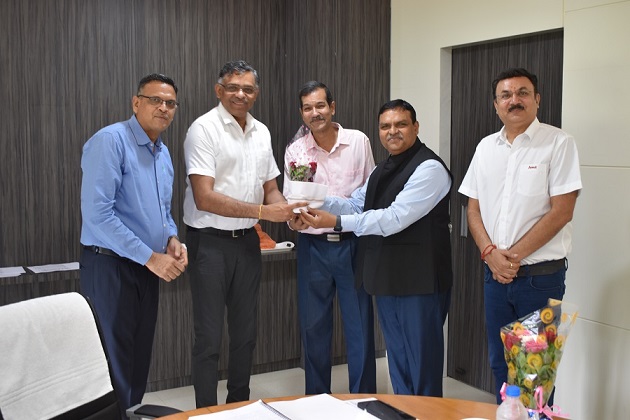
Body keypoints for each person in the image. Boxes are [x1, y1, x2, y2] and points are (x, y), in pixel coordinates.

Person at [300, 99, 453, 397]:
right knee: (398, 362)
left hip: (421, 283)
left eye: (400, 124)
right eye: (385, 126)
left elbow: (394, 217)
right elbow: (357, 203)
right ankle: (405, 413)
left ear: (416, 127)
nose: (392, 131)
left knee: (422, 365)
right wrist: (311, 200)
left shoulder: (430, 168)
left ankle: (427, 415)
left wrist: (337, 222)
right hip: (388, 279)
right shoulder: (382, 168)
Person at [183, 60, 303, 407]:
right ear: (219, 90)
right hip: (209, 244)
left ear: (256, 93)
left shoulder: (261, 131)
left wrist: (290, 214)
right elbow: (204, 197)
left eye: (248, 89)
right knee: (208, 338)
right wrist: (264, 213)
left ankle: (238, 406)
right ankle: (206, 412)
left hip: (247, 243)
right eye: (233, 87)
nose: (240, 94)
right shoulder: (203, 129)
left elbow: (271, 189)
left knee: (245, 335)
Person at [458, 68, 582, 403]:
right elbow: (473, 208)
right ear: (496, 104)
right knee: (501, 367)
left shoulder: (559, 143)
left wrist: (509, 258)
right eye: (506, 95)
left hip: (539, 281)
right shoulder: (486, 147)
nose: (514, 100)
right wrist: (490, 254)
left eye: (523, 93)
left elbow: (562, 211)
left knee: (535, 376)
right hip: (495, 277)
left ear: (537, 99)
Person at [80, 73, 188, 415]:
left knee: (139, 357)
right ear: (136, 102)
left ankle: (130, 413)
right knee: (112, 362)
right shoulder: (110, 141)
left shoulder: (162, 152)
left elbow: (162, 211)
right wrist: (150, 257)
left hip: (146, 266)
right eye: (155, 100)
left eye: (170, 103)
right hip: (110, 266)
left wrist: (171, 238)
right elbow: (98, 215)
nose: (163, 108)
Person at [284, 81, 377, 394]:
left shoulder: (358, 142)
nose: (315, 113)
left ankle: (362, 399)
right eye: (308, 108)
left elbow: (370, 194)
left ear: (332, 107)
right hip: (313, 247)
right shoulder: (296, 151)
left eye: (320, 106)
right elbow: (292, 199)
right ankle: (316, 399)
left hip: (353, 245)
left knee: (359, 327)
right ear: (302, 113)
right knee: (313, 328)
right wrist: (294, 220)